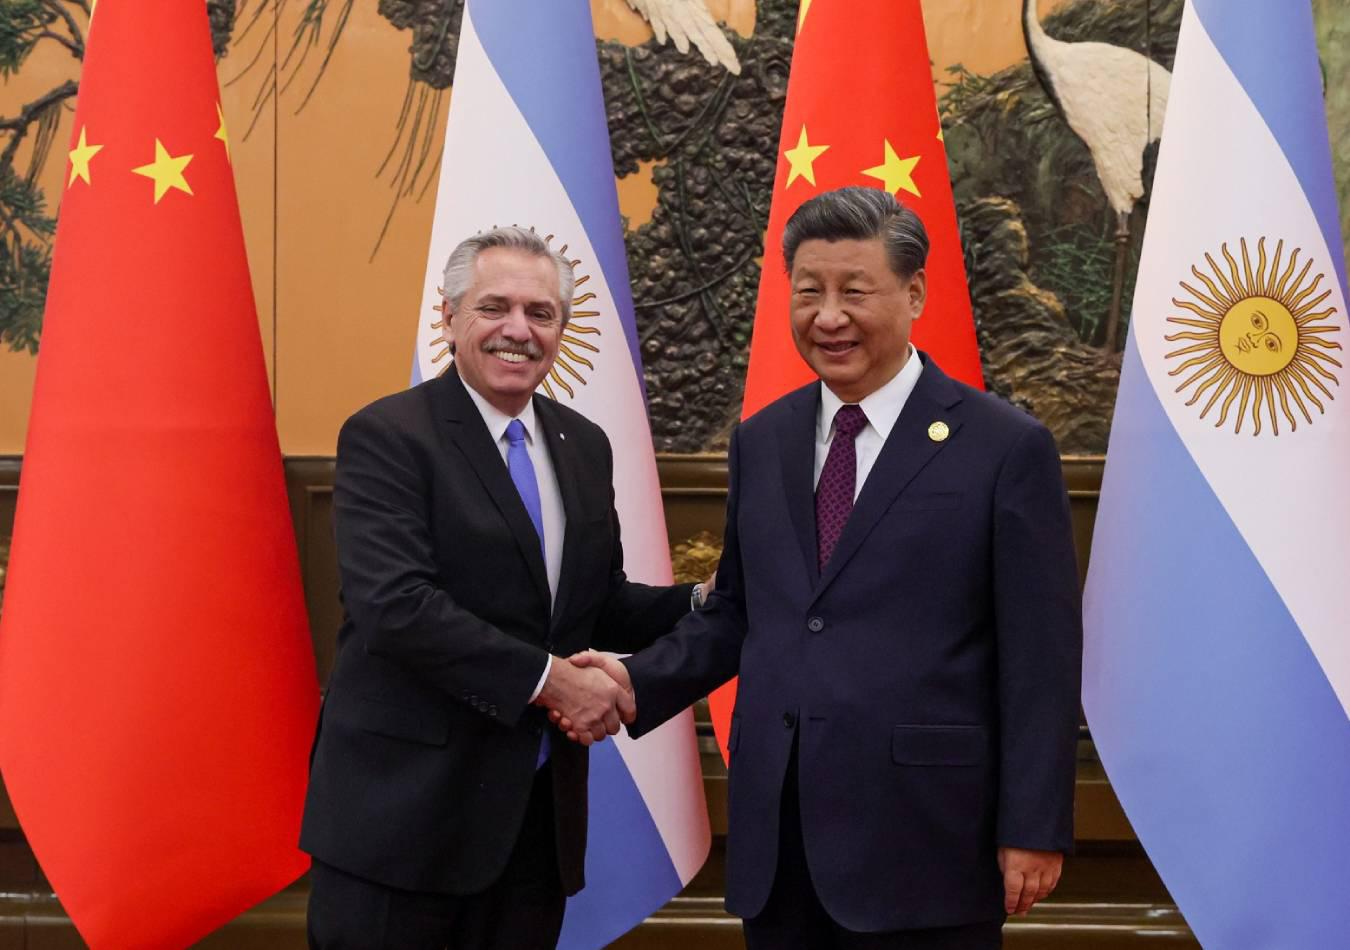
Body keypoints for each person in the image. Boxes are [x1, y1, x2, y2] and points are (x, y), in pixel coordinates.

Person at [555, 187, 1083, 949]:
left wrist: (1034, 826)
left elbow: (1041, 654)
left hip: (929, 842)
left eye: (854, 291)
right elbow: (741, 611)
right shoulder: (763, 440)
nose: (827, 316)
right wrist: (634, 683)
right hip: (783, 841)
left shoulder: (1003, 448)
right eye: (809, 292)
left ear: (916, 293)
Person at [300, 226, 699, 950]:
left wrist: (708, 603)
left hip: (529, 826)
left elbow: (596, 603)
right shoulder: (389, 435)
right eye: (495, 307)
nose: (519, 330)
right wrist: (554, 684)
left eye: (541, 313)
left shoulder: (583, 444)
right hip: (402, 826)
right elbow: (394, 607)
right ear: (449, 318)